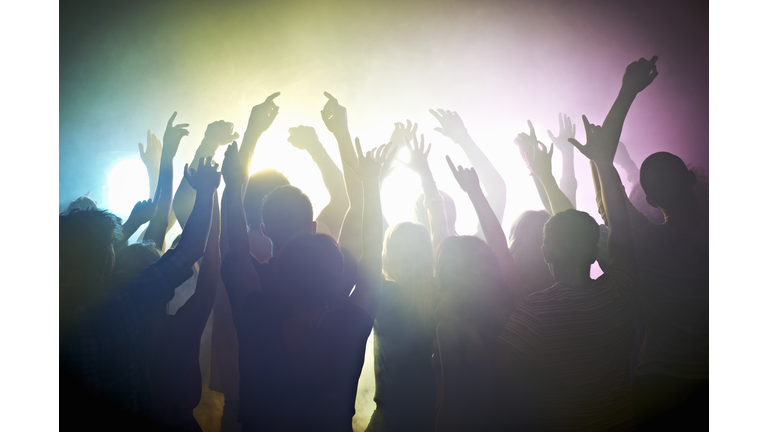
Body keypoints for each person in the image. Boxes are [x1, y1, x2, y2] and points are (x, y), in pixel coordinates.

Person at [220, 137, 384, 431]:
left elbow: (237, 255)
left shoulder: (257, 315)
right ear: (336, 274)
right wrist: (371, 186)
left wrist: (233, 186)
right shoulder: (349, 324)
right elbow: (373, 259)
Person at [60, 150, 216, 430]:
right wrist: (206, 194)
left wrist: (131, 224)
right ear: (105, 254)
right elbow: (190, 249)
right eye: (110, 245)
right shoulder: (123, 304)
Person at [366, 134, 445, 432]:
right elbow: (440, 228)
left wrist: (373, 182)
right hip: (430, 415)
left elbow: (370, 231)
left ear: (387, 255)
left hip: (391, 418)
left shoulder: (383, 297)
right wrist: (425, 173)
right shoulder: (440, 292)